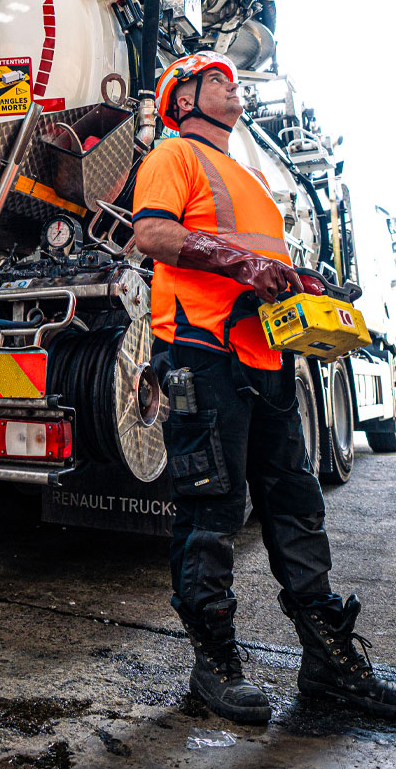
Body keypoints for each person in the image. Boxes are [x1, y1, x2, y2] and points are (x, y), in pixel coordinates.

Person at [132, 50, 396, 724]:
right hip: (201, 354)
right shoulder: (172, 155)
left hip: (267, 359)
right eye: (216, 80)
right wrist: (241, 263)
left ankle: (328, 664)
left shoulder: (246, 176)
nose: (233, 87)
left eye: (232, 80)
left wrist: (295, 278)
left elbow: (259, 259)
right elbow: (153, 233)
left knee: (295, 505)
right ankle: (214, 664)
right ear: (183, 99)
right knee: (211, 511)